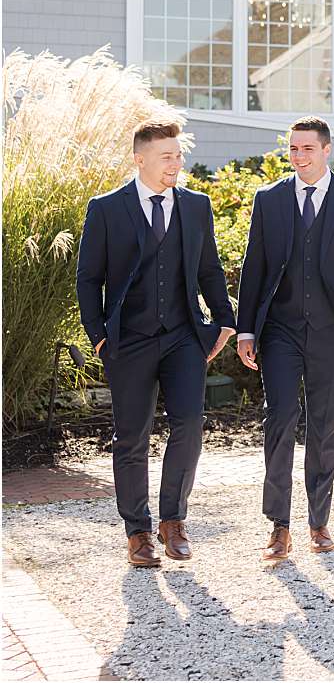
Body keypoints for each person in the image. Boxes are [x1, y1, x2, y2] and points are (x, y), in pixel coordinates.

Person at [76, 119, 235, 567]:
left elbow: (208, 270)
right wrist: (100, 336)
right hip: (128, 341)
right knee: (131, 437)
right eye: (167, 156)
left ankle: (173, 520)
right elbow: (88, 278)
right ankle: (138, 533)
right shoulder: (107, 208)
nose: (176, 163)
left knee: (188, 423)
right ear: (139, 159)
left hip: (184, 335)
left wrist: (224, 320)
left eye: (179, 155)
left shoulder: (195, 205)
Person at [236, 116, 334, 562]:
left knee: (324, 425)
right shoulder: (270, 199)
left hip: (332, 331)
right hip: (280, 330)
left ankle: (318, 521)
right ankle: (279, 526)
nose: (298, 156)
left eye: (306, 149)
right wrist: (247, 329)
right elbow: (255, 266)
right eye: (293, 149)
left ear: (326, 150)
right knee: (279, 417)